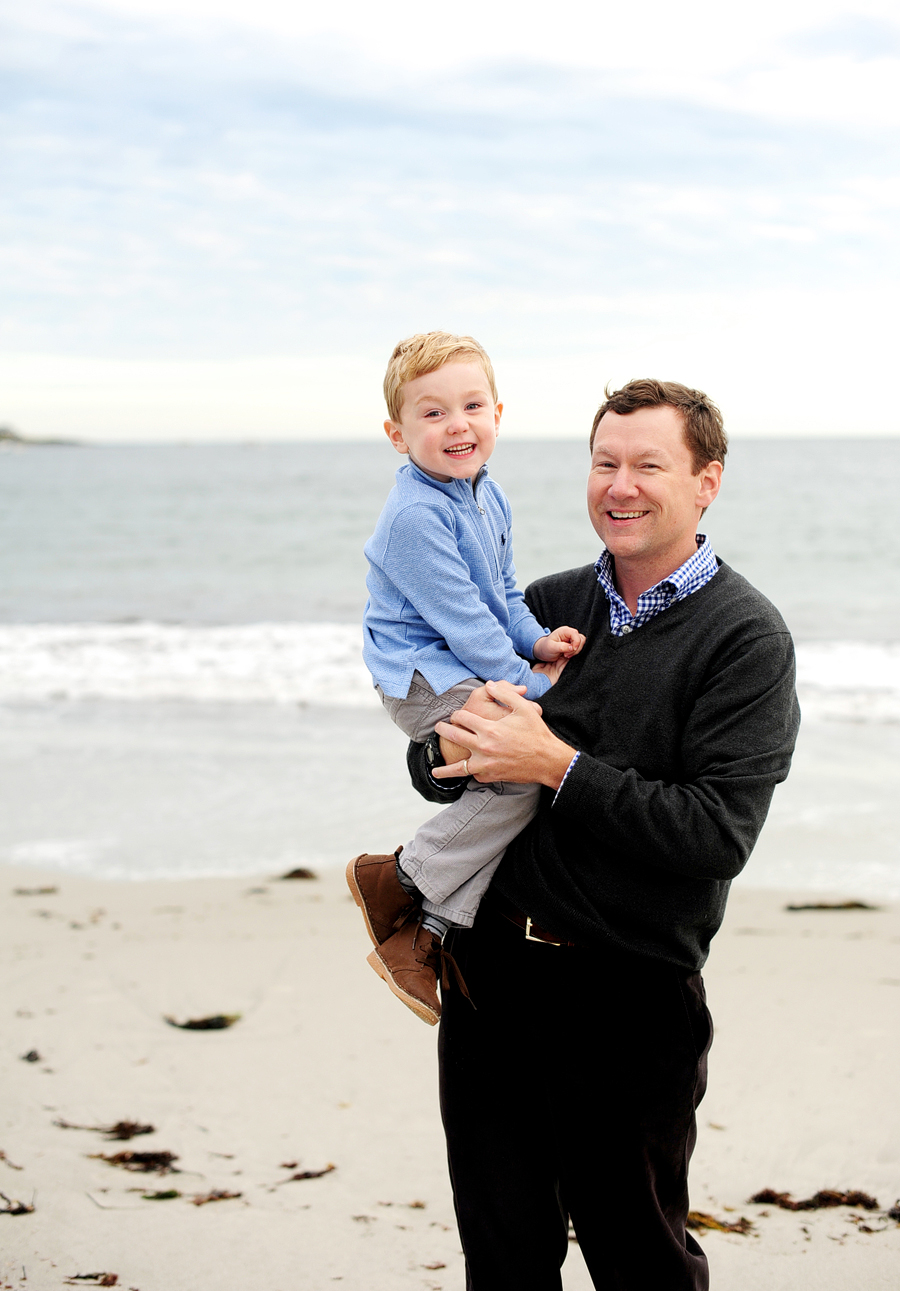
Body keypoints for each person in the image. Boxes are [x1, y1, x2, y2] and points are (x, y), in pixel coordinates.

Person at [406, 378, 800, 1290]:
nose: (620, 486)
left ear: (707, 481)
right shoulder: (542, 603)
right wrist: (449, 743)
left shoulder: (745, 637)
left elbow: (716, 834)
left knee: (640, 1257)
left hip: (631, 993)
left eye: (648, 465)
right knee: (501, 1254)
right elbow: (436, 775)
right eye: (604, 463)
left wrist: (556, 765)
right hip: (490, 974)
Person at [347, 331, 584, 1026]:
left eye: (472, 405)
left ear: (498, 414)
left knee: (524, 776)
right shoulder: (417, 515)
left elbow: (502, 598)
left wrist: (537, 638)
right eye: (433, 412)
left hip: (459, 657)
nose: (458, 424)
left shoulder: (487, 495)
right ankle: (399, 875)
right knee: (518, 772)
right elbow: (465, 627)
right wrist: (530, 683)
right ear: (397, 434)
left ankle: (423, 936)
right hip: (421, 674)